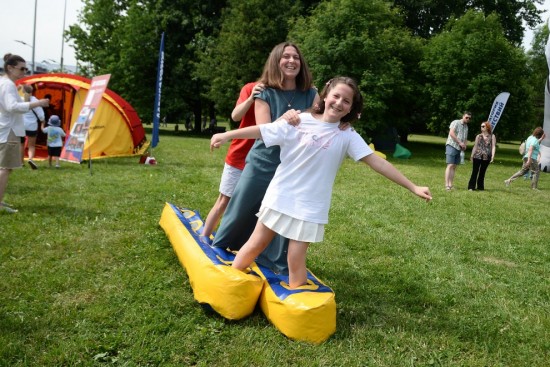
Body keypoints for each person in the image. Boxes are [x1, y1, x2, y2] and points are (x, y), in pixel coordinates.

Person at [210, 77, 432, 288]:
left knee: (296, 257)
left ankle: (297, 310)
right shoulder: (298, 121)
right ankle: (230, 284)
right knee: (255, 244)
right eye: (336, 96)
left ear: (351, 108)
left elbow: (377, 162)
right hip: (280, 196)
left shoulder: (348, 135)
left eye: (346, 101)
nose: (339, 103)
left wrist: (413, 186)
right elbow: (264, 130)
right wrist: (227, 135)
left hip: (310, 206)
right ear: (325, 96)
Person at [211, 42, 319, 274]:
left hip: (293, 164)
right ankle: (222, 248)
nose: (291, 61)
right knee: (241, 206)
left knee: (282, 213)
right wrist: (288, 118)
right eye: (286, 57)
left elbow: (320, 122)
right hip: (263, 160)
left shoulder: (311, 93)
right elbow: (265, 130)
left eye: (296, 58)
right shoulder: (264, 92)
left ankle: (273, 261)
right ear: (276, 61)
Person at [201, 81, 265, 242]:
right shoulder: (251, 87)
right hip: (240, 155)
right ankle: (203, 237)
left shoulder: (288, 92)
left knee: (257, 207)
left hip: (264, 160)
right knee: (224, 201)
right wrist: (251, 98)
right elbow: (235, 116)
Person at [0, 53, 49, 213]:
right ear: (10, 68)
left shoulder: (5, 83)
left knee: (5, 167)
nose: (24, 72)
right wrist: (38, 103)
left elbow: (14, 103)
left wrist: (28, 100)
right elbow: (12, 106)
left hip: (6, 129)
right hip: (9, 130)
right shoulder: (7, 85)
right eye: (22, 69)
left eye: (26, 69)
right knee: (5, 168)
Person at [20, 84, 45, 169]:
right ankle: (30, 159)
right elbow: (41, 115)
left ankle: (21, 162)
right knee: (31, 145)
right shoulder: (35, 101)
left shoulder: (20, 100)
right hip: (32, 126)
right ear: (32, 91)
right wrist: (43, 122)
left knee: (21, 144)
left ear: (23, 91)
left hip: (21, 125)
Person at [445, 111, 471, 190]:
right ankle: (447, 186)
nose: (468, 119)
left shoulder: (466, 127)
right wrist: (459, 142)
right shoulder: (456, 122)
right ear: (463, 116)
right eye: (466, 117)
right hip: (452, 145)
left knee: (454, 167)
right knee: (450, 165)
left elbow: (465, 138)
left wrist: (464, 145)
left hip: (459, 148)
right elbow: (451, 133)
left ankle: (450, 185)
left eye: (469, 118)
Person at [467, 121, 496, 191]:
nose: (481, 127)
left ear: (487, 127)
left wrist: (492, 156)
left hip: (487, 157)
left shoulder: (492, 136)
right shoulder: (478, 136)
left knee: (482, 172)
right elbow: (475, 146)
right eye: (481, 126)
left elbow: (493, 147)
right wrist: (471, 155)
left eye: (483, 126)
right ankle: (471, 187)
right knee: (475, 171)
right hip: (477, 156)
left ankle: (480, 187)